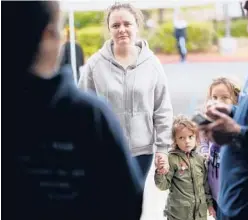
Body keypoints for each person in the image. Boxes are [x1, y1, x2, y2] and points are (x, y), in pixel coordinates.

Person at [2, 2, 143, 219]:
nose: (122, 29)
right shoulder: (91, 115)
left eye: (127, 24)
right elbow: (127, 200)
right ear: (50, 35)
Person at [78, 2, 173, 180]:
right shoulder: (95, 64)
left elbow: (162, 109)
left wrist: (162, 149)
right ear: (109, 29)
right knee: (107, 203)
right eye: (115, 25)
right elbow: (82, 110)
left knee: (133, 205)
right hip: (105, 150)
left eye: (127, 24)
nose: (122, 29)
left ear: (136, 26)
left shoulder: (152, 64)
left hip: (142, 153)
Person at [199, 1, 248, 220]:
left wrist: (238, 134)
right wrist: (231, 112)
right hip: (232, 208)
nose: (246, 5)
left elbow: (247, 135)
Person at [155, 115, 215, 220]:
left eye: (190, 137)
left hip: (199, 215)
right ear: (175, 140)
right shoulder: (172, 159)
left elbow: (205, 185)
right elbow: (163, 186)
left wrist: (210, 205)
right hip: (178, 215)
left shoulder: (200, 159)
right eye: (181, 138)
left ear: (196, 138)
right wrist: (160, 173)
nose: (187, 141)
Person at [199, 77, 241, 213]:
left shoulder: (236, 126)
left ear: (235, 100)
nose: (218, 102)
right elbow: (203, 138)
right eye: (214, 97)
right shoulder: (210, 122)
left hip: (231, 193)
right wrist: (204, 151)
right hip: (215, 190)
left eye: (224, 98)